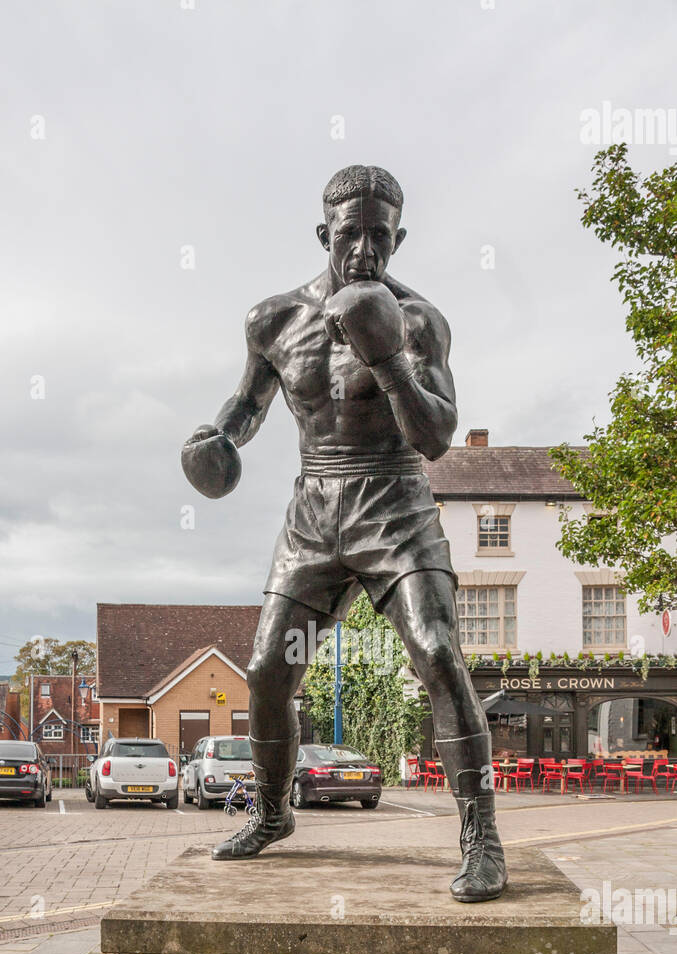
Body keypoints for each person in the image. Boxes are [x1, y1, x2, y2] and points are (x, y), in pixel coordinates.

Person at [182, 165, 507, 901]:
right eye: (350, 233)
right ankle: (271, 813)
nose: (364, 250)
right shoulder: (272, 320)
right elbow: (247, 405)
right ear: (323, 233)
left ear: (399, 237)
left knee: (435, 652)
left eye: (380, 236)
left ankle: (480, 836)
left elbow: (433, 438)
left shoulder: (419, 320)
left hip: (394, 500)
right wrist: (215, 439)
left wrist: (387, 357)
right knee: (267, 668)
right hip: (314, 508)